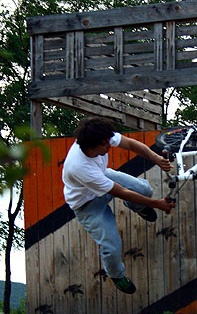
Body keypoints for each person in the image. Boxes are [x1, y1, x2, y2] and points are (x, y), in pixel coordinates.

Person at [62, 116, 175, 294]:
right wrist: (157, 204)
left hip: (102, 177)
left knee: (143, 189)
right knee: (111, 246)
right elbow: (121, 192)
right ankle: (116, 276)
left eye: (109, 141)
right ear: (92, 146)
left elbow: (130, 144)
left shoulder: (98, 136)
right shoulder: (79, 166)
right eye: (105, 145)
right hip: (86, 204)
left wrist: (156, 158)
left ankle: (138, 208)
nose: (110, 147)